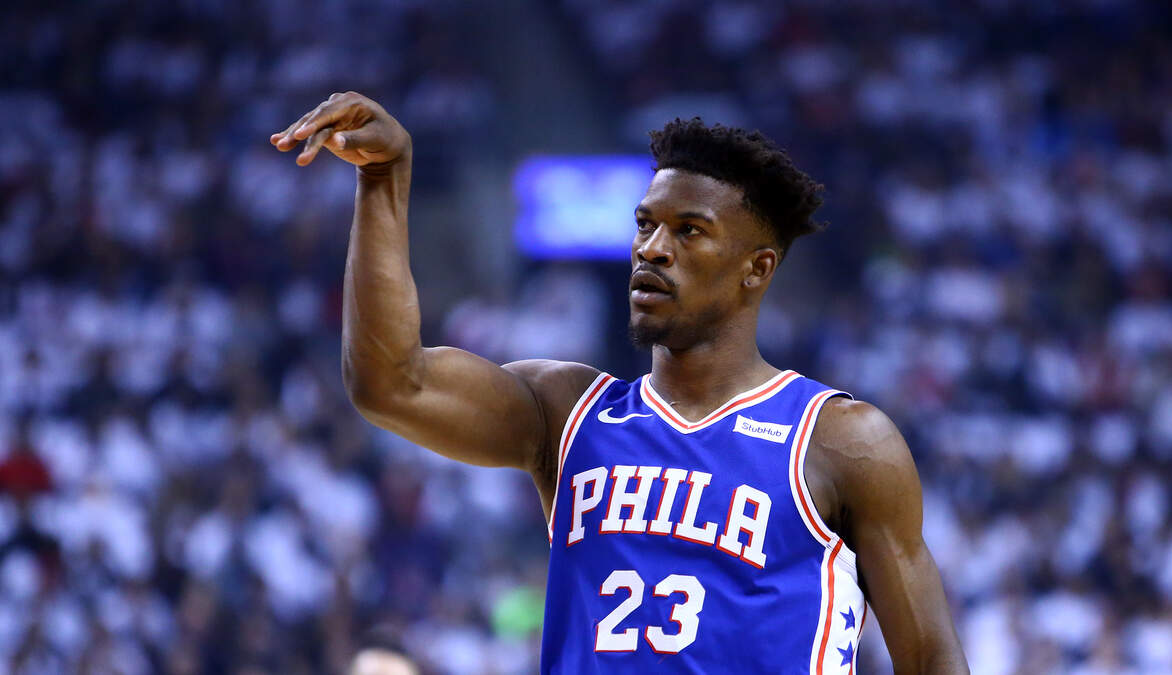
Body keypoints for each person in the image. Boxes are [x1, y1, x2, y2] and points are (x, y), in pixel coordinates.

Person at [271, 92, 969, 674]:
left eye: (689, 230)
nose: (652, 248)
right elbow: (390, 383)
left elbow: (932, 658)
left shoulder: (841, 440)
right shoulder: (567, 413)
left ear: (756, 268)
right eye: (645, 224)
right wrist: (383, 179)